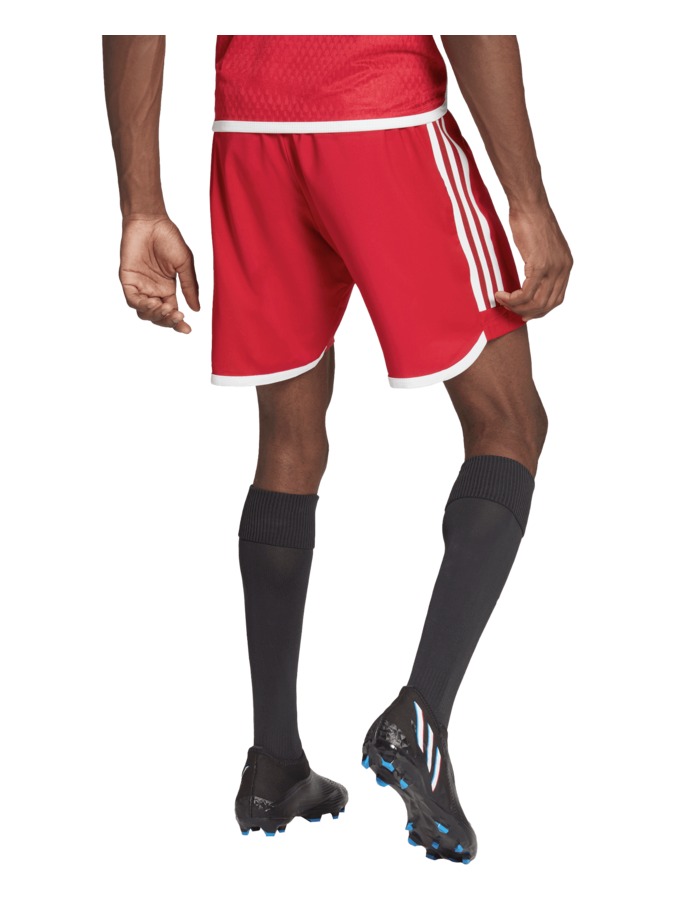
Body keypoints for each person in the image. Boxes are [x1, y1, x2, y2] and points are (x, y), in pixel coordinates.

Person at [102, 34, 572, 864]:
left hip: (251, 133)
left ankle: (273, 763)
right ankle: (419, 718)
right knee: (508, 423)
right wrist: (526, 198)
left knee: (288, 443)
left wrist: (141, 205)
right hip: (381, 114)